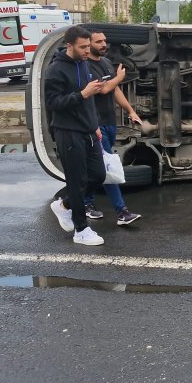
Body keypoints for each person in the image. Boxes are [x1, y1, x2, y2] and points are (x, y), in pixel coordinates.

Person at [45, 26, 107, 246]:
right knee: (77, 181)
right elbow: (53, 104)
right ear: (69, 45)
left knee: (98, 176)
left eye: (88, 46)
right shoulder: (55, 70)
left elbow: (88, 100)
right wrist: (82, 94)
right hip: (68, 132)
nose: (87, 51)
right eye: (82, 47)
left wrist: (94, 124)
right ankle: (81, 230)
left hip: (88, 130)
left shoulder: (84, 63)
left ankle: (64, 205)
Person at [84, 30, 142, 225]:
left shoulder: (106, 63)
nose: (104, 44)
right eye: (99, 41)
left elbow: (115, 90)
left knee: (99, 167)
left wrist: (130, 111)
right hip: (96, 124)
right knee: (108, 167)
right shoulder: (86, 67)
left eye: (105, 41)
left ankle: (86, 203)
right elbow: (104, 89)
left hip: (110, 123)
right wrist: (118, 77)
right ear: (89, 43)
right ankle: (122, 212)